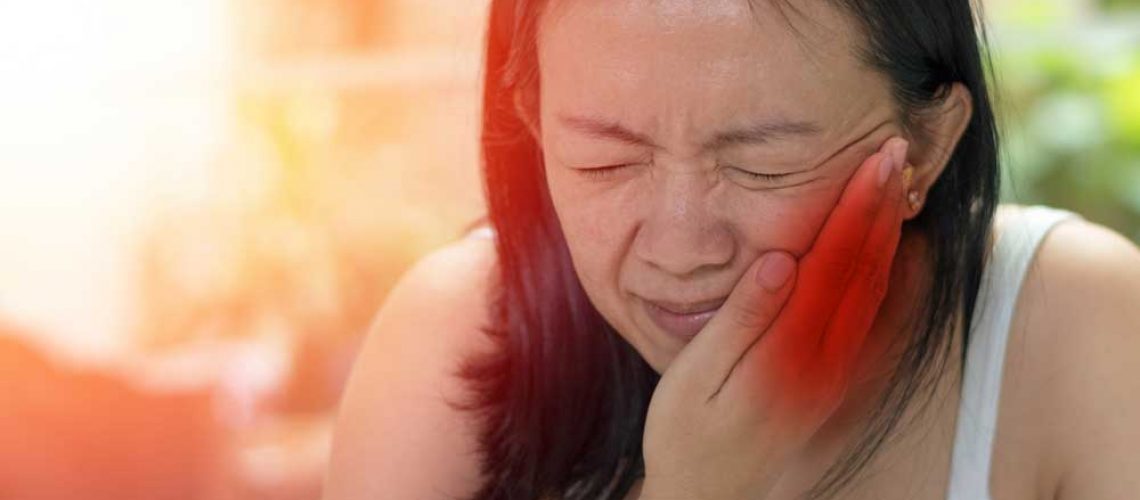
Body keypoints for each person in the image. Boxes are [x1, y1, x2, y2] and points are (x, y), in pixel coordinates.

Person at [323, 0, 1140, 499]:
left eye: (763, 162)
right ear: (535, 124)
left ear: (925, 143)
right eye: (605, 159)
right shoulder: (454, 343)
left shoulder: (1076, 330)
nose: (681, 249)